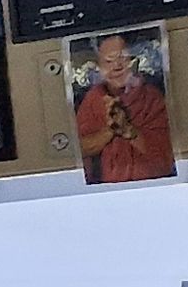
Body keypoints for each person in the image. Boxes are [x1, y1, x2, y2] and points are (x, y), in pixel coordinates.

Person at [74, 31, 175, 185]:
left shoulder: (152, 98)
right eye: (108, 61)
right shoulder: (93, 100)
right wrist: (112, 129)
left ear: (134, 60)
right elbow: (78, 150)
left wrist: (130, 131)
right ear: (99, 67)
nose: (117, 67)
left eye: (122, 57)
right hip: (109, 194)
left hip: (155, 188)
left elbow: (166, 155)